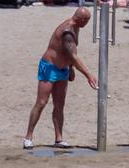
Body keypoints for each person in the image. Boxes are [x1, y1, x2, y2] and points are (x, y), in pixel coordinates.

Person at [23, 8, 97, 149]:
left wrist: (71, 68)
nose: (87, 23)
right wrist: (88, 75)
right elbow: (73, 56)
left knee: (59, 104)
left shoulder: (76, 27)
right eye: (87, 21)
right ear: (82, 20)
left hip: (63, 69)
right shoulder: (67, 31)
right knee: (42, 102)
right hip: (50, 67)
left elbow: (71, 51)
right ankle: (28, 137)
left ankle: (59, 138)